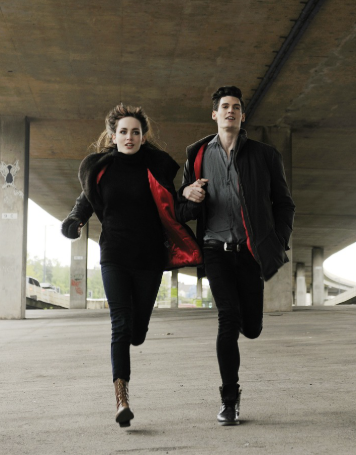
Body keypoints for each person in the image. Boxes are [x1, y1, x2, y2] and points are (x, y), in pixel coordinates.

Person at [61, 104, 202, 428]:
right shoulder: (100, 170)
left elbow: (174, 206)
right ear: (113, 136)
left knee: (136, 332)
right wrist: (74, 221)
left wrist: (191, 199)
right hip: (114, 255)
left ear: (142, 137)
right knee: (120, 325)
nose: (129, 137)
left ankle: (134, 342)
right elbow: (84, 202)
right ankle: (121, 398)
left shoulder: (156, 168)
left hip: (149, 259)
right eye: (123, 131)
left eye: (135, 132)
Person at [179, 86, 295, 425]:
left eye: (236, 107)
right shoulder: (197, 154)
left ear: (243, 116)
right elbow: (181, 208)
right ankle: (229, 399)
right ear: (214, 114)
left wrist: (277, 241)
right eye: (224, 106)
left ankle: (248, 321)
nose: (230, 111)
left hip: (249, 252)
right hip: (214, 249)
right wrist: (187, 194)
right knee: (227, 319)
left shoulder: (265, 155)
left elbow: (284, 204)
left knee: (252, 328)